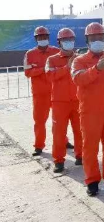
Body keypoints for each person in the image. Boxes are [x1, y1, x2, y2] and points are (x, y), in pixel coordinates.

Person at [71, 23, 104, 197]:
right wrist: (96, 69)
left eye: (100, 37)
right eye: (93, 38)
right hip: (90, 112)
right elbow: (78, 79)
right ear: (87, 40)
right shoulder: (79, 60)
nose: (98, 41)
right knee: (90, 148)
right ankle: (92, 181)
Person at [46, 28, 83, 173]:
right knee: (59, 133)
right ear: (59, 42)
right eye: (65, 40)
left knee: (80, 131)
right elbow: (49, 76)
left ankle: (81, 155)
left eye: (70, 40)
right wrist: (66, 67)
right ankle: (59, 161)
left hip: (78, 101)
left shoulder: (80, 58)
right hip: (59, 102)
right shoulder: (52, 59)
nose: (68, 42)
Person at [23, 26, 59, 156]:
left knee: (59, 121)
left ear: (48, 37)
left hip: (56, 93)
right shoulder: (30, 54)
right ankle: (39, 145)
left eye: (44, 36)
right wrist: (43, 69)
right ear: (36, 39)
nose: (42, 38)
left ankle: (64, 141)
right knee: (39, 121)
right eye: (40, 37)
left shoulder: (56, 51)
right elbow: (27, 72)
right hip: (40, 94)